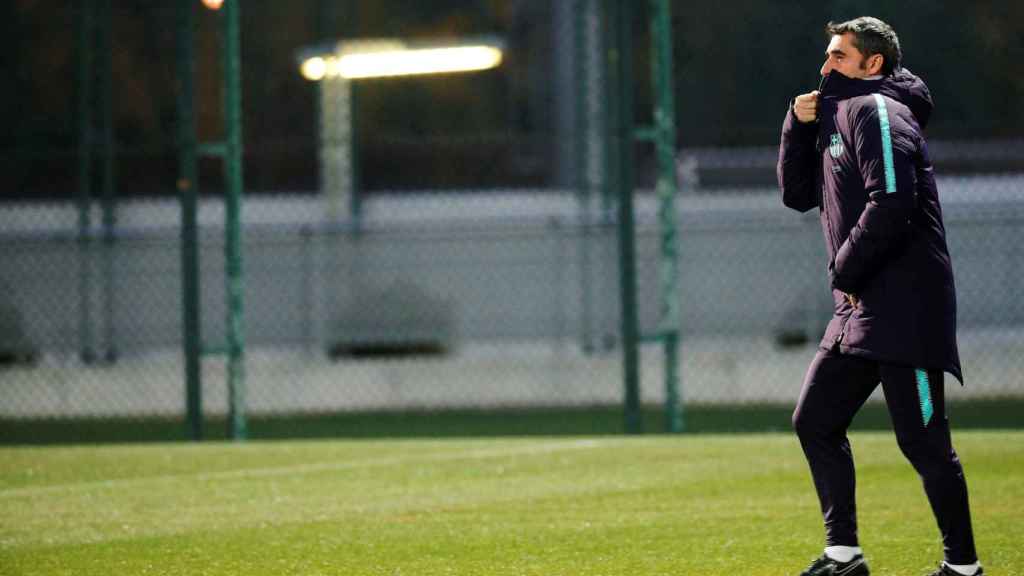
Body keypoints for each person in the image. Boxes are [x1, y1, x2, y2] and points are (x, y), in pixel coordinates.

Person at [777, 16, 982, 576]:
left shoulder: (878, 112)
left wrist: (844, 266)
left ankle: (963, 567)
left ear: (873, 65)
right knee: (815, 420)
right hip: (860, 309)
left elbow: (892, 200)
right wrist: (796, 126)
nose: (826, 66)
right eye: (827, 54)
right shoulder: (839, 112)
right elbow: (798, 195)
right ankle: (844, 556)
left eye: (839, 56)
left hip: (905, 309)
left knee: (924, 442)